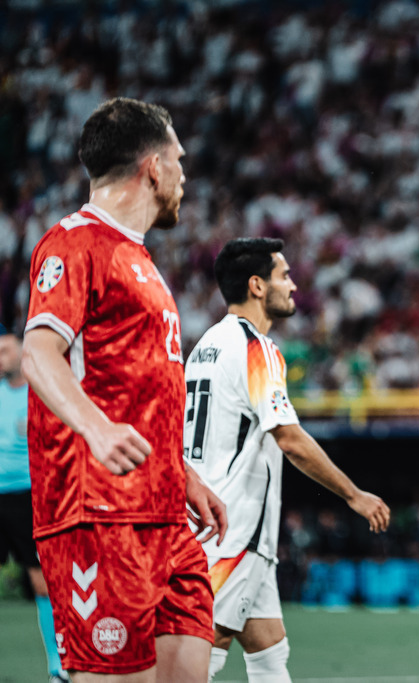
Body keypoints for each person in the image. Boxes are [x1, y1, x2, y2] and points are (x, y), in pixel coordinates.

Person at [22, 97, 228, 682]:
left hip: (164, 515)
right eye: (180, 160)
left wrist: (180, 471)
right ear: (154, 167)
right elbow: (39, 352)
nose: (185, 175)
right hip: (99, 513)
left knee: (189, 671)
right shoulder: (73, 244)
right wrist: (96, 427)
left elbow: (137, 387)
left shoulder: (137, 260)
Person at [185, 237, 391, 682]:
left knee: (269, 648)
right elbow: (290, 439)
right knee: (201, 653)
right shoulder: (255, 348)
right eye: (285, 275)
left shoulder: (205, 344)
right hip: (232, 529)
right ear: (257, 286)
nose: (294, 286)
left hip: (215, 522)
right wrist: (354, 495)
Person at [0, 327, 69, 683]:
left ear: (22, 352)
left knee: (42, 583)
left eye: (5, 351)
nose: (1, 358)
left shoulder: (41, 393)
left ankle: (58, 668)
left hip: (28, 495)